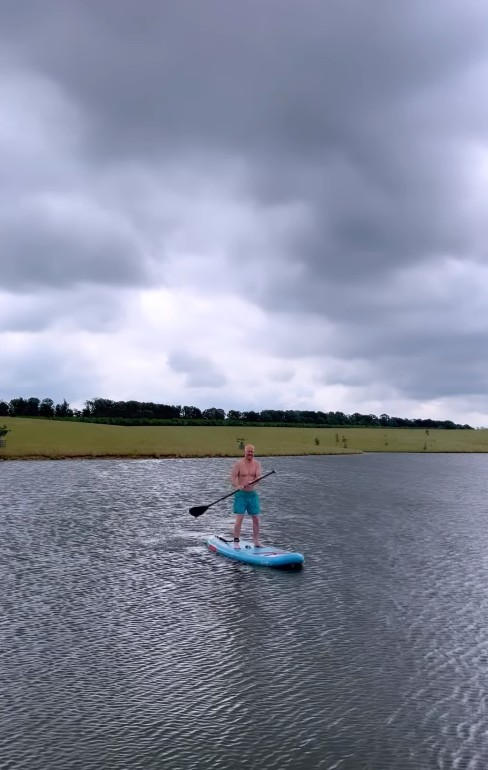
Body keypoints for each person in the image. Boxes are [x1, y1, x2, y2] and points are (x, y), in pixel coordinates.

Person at [230, 444, 263, 547]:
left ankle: (256, 541)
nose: (250, 453)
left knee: (256, 518)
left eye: (252, 452)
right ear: (245, 452)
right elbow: (232, 477)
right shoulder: (239, 464)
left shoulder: (257, 464)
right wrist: (237, 485)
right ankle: (236, 541)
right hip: (241, 495)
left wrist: (253, 482)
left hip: (252, 494)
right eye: (248, 451)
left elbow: (258, 477)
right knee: (240, 517)